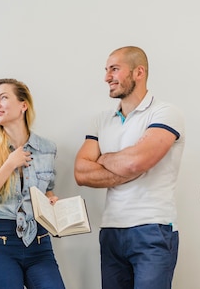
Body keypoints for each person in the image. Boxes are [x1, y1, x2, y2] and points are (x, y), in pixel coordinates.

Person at [74, 46, 185, 289]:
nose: (106, 77)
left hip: (153, 228)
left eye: (114, 69)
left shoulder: (165, 113)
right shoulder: (101, 120)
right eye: (106, 70)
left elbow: (137, 162)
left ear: (139, 72)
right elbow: (81, 172)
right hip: (111, 230)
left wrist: (103, 158)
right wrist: (128, 166)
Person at [0, 78, 66, 289]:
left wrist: (51, 201)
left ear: (23, 105)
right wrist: (9, 164)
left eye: (3, 98)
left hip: (39, 240)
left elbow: (47, 190)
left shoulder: (47, 148)